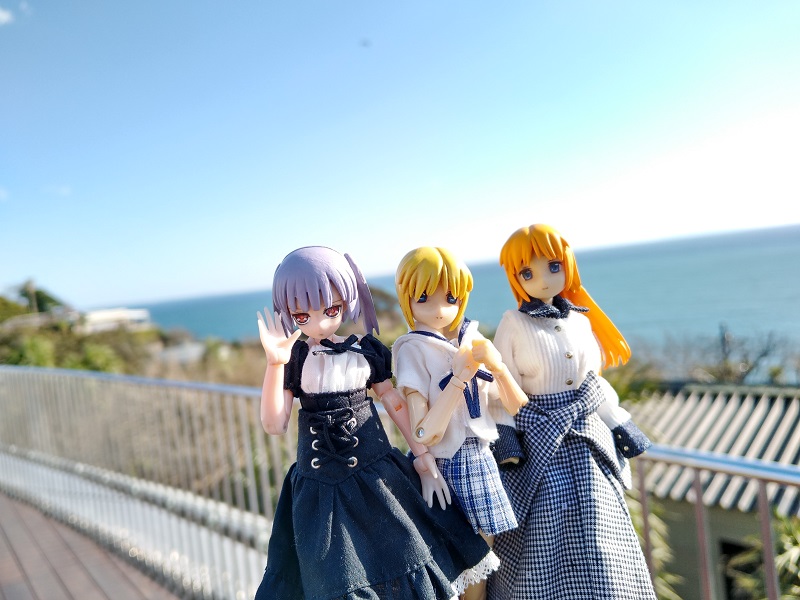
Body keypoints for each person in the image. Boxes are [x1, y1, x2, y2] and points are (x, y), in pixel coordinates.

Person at [253, 246, 496, 600]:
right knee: (334, 578)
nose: (319, 322)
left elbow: (395, 402)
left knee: (405, 552)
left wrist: (423, 457)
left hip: (378, 476)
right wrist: (275, 363)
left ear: (346, 301)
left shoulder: (365, 350)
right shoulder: (296, 360)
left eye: (331, 309)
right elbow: (275, 424)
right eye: (302, 315)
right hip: (320, 492)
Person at [488, 224, 655, 600]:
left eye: (553, 266)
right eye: (527, 272)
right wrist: (506, 437)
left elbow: (594, 384)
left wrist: (620, 422)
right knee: (544, 533)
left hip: (588, 440)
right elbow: (502, 385)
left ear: (568, 265)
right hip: (539, 441)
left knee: (601, 527)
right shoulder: (514, 323)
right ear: (516, 278)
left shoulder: (581, 321)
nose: (544, 279)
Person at [392, 247, 527, 600]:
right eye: (424, 298)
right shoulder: (412, 349)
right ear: (408, 299)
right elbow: (422, 431)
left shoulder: (470, 340)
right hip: (442, 464)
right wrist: (457, 380)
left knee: (482, 558)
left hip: (480, 457)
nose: (440, 309)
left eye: (450, 298)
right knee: (448, 562)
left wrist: (498, 367)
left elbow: (515, 403)